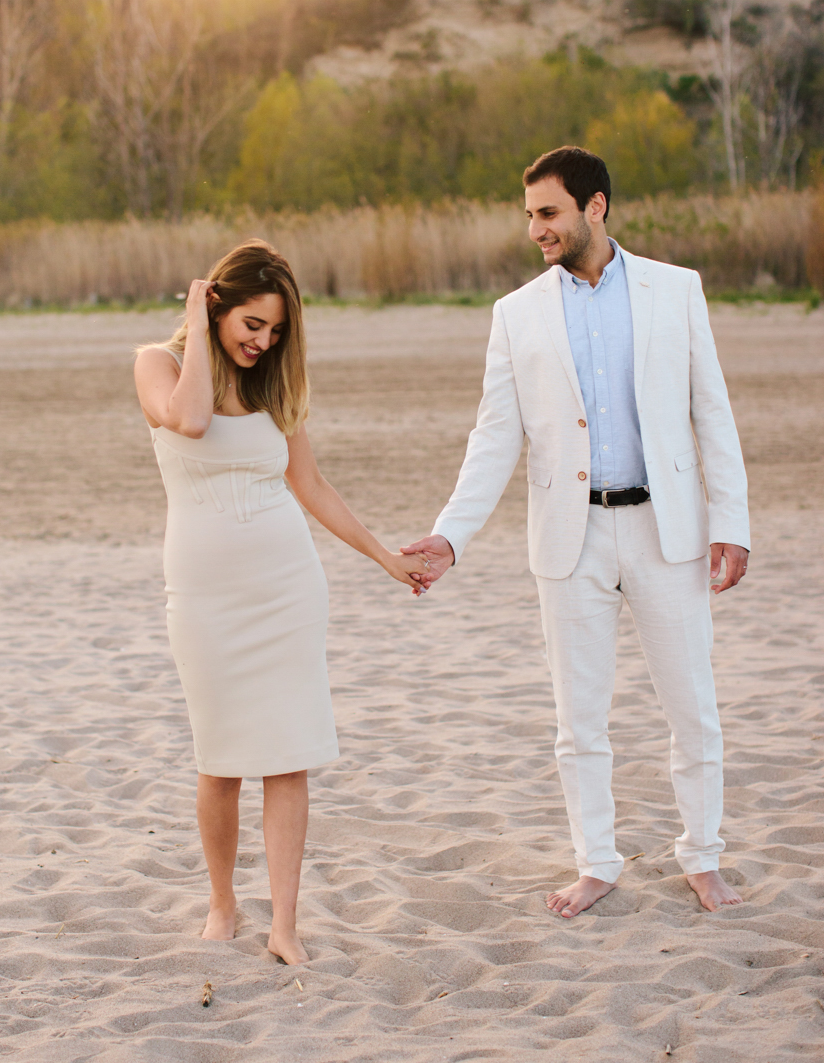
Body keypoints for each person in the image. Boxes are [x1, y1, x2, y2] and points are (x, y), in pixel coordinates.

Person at [403, 147, 750, 919]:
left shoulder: (676, 290)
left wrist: (731, 522)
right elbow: (494, 438)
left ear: (595, 207)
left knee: (691, 706)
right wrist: (449, 536)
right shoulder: (515, 314)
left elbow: (710, 413)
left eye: (548, 212)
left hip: (669, 531)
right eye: (529, 215)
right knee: (578, 720)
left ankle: (702, 857)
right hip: (571, 538)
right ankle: (596, 861)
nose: (536, 229)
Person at [135, 240, 427, 964]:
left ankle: (285, 926)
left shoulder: (271, 388)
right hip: (203, 595)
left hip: (285, 586)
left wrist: (384, 557)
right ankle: (222, 903)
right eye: (250, 325)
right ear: (216, 305)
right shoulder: (158, 365)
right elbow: (191, 420)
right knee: (220, 758)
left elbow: (313, 488)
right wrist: (197, 331)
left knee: (287, 757)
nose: (261, 342)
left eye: (273, 332)